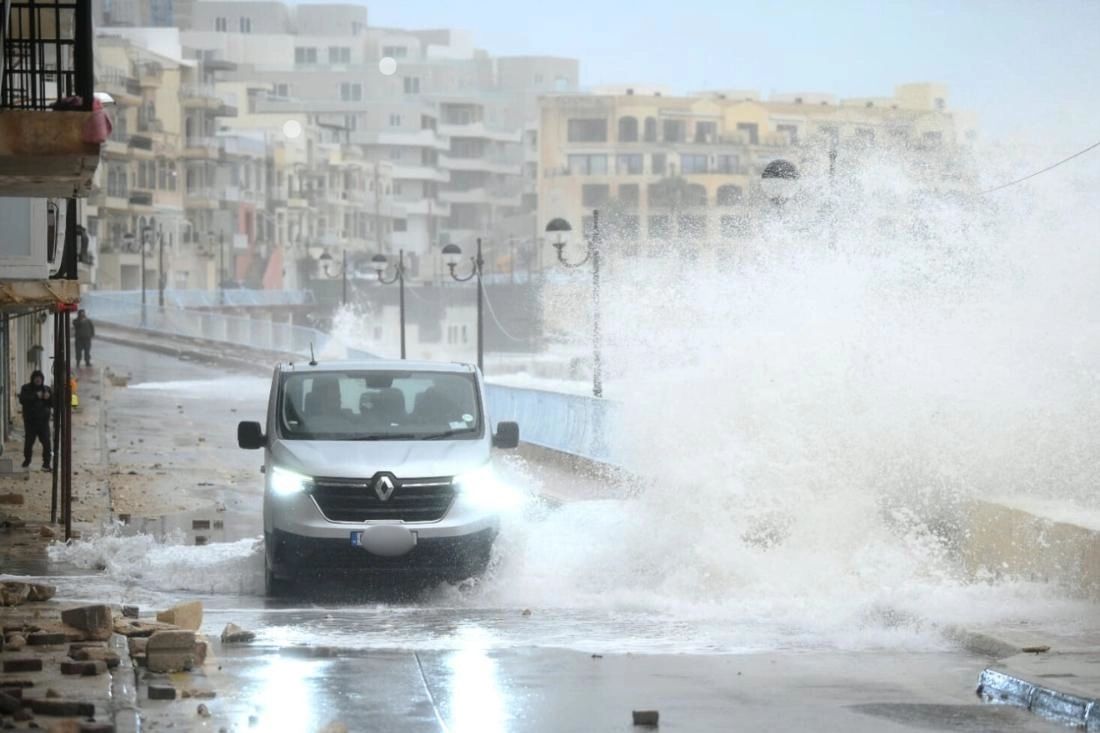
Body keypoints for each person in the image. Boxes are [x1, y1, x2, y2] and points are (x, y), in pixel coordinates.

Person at [18, 370, 52, 471]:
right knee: (29, 443)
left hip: (43, 423)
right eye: (36, 378)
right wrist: (35, 396)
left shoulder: (47, 389)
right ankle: (27, 460)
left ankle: (46, 464)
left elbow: (53, 403)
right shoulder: (26, 388)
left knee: (46, 443)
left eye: (40, 378)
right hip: (30, 422)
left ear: (42, 379)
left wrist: (49, 398)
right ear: (33, 379)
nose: (38, 380)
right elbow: (23, 400)